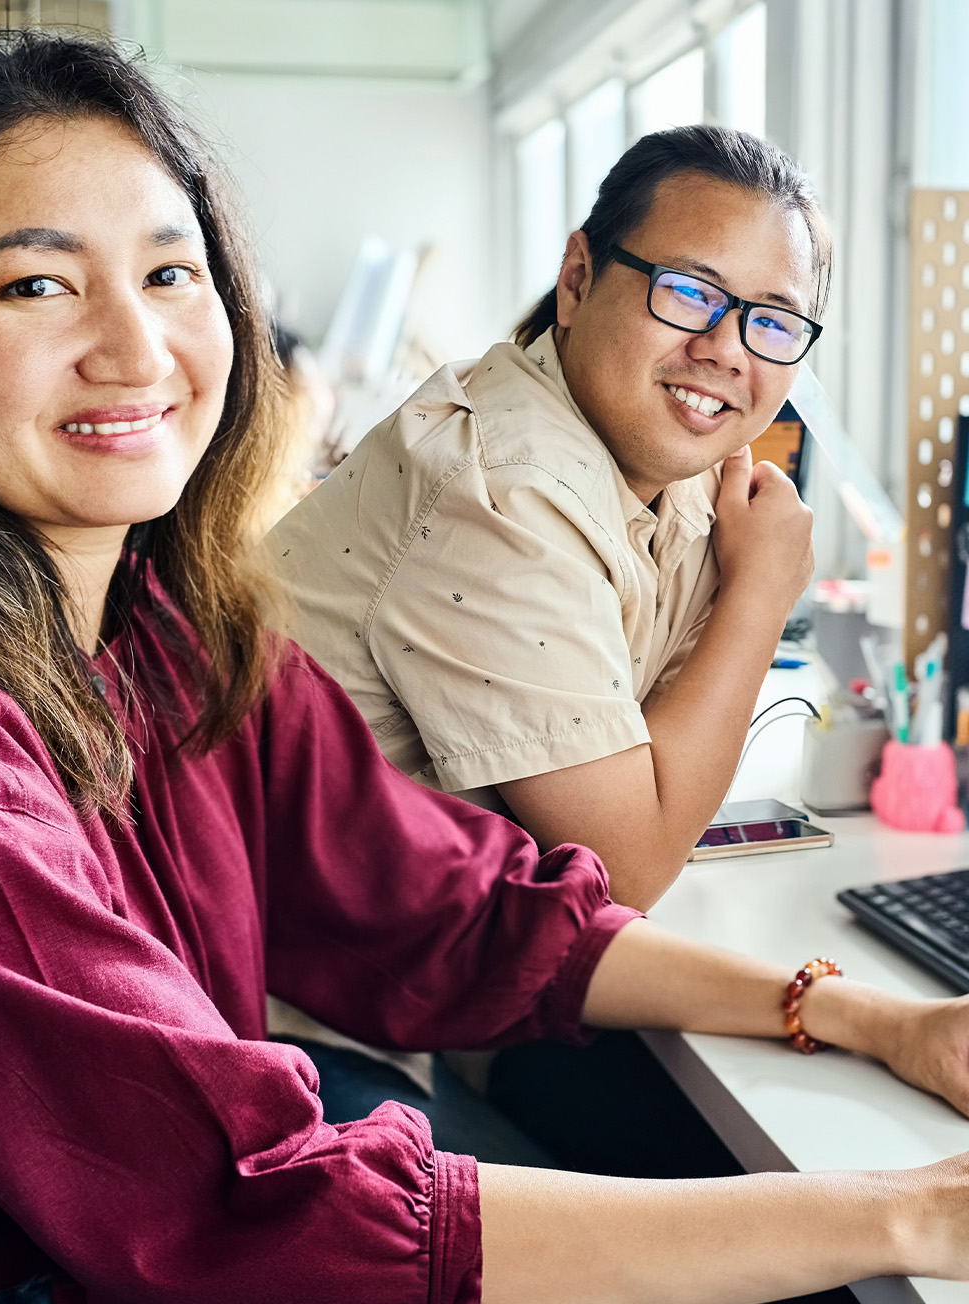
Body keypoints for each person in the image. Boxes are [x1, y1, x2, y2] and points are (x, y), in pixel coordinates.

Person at [0, 27, 969, 1304]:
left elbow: (464, 906)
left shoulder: (164, 630)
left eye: (171, 273)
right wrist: (909, 1211)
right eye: (33, 286)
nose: (137, 348)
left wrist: (883, 1017)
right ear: (579, 277)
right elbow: (257, 1199)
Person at [269, 123, 822, 912]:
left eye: (772, 322)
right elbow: (624, 876)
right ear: (577, 279)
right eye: (690, 292)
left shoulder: (680, 478)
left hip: (428, 958)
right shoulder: (500, 488)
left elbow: (657, 757)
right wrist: (760, 595)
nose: (728, 350)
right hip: (289, 1005)